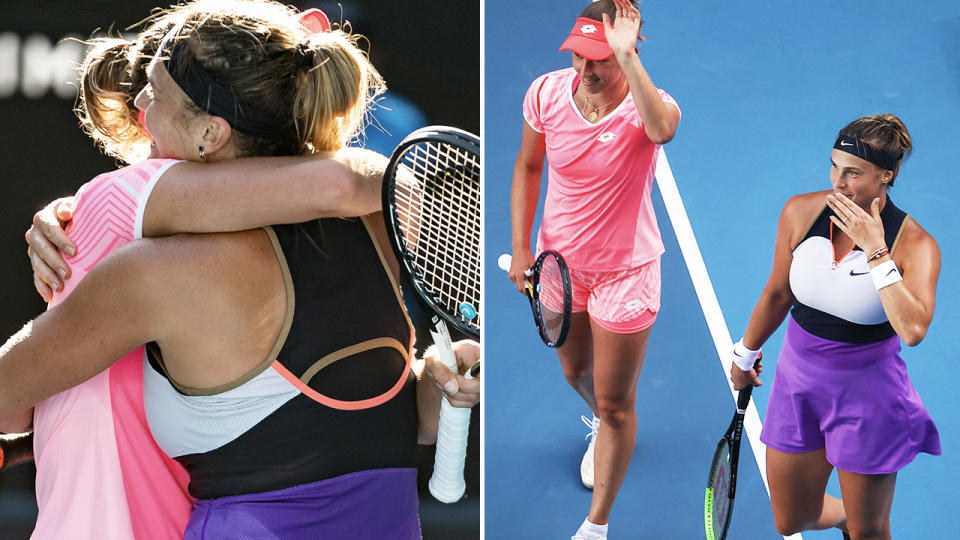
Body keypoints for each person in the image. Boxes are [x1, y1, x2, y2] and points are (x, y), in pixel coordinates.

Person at [3, 2, 479, 539]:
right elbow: (357, 428)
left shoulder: (149, 271)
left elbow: (5, 398)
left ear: (211, 133)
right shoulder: (378, 220)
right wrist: (435, 387)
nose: (138, 103)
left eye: (154, 93)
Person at [507, 1, 679, 538]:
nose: (586, 71)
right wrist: (521, 246)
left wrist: (626, 58)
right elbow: (529, 164)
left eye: (600, 59)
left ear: (627, 53)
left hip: (626, 272)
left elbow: (663, 131)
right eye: (578, 56)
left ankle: (596, 525)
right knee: (576, 373)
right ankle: (603, 423)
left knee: (616, 405)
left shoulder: (652, 105)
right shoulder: (546, 93)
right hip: (559, 266)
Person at [728, 114, 940, 540]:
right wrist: (744, 353)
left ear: (887, 174)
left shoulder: (915, 245)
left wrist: (876, 250)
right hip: (797, 384)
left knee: (870, 530)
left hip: (869, 397)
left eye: (853, 173)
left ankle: (858, 521)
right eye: (834, 167)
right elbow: (777, 294)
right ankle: (845, 516)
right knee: (790, 520)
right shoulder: (801, 212)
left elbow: (913, 330)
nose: (838, 183)